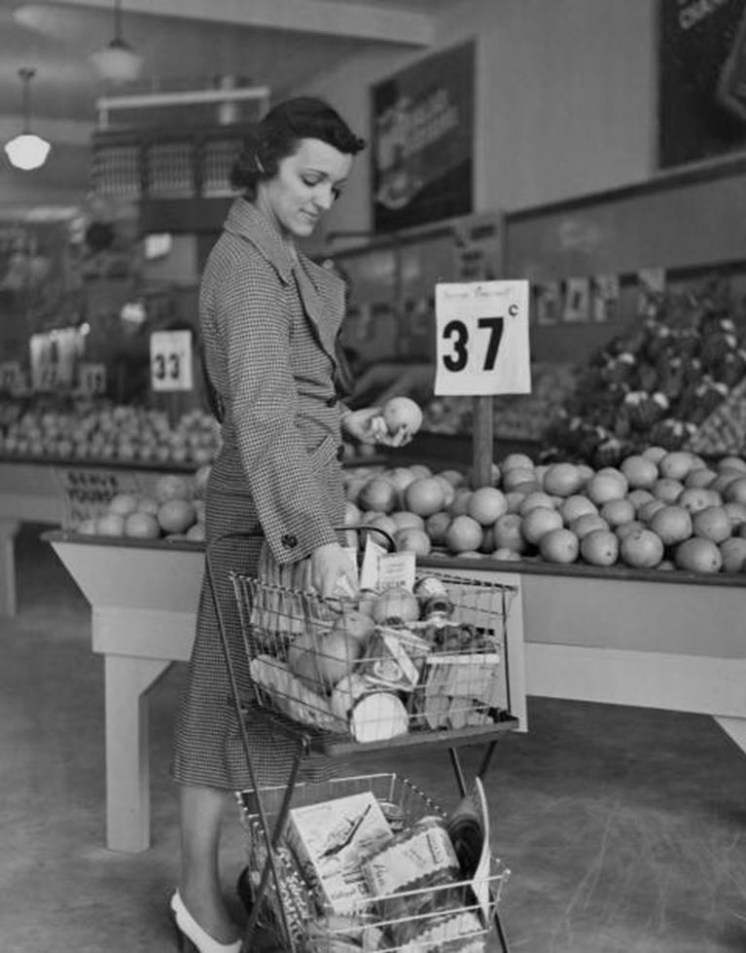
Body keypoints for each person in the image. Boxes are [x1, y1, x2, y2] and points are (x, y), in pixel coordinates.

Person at [170, 97, 414, 953]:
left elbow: (296, 403)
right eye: (309, 178)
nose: (321, 197)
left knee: (270, 704)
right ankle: (197, 889)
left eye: (335, 186)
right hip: (266, 513)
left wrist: (355, 424)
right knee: (229, 702)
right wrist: (314, 538)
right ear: (264, 165)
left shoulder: (280, 266)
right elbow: (264, 419)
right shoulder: (242, 269)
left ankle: (256, 872)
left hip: (297, 498)